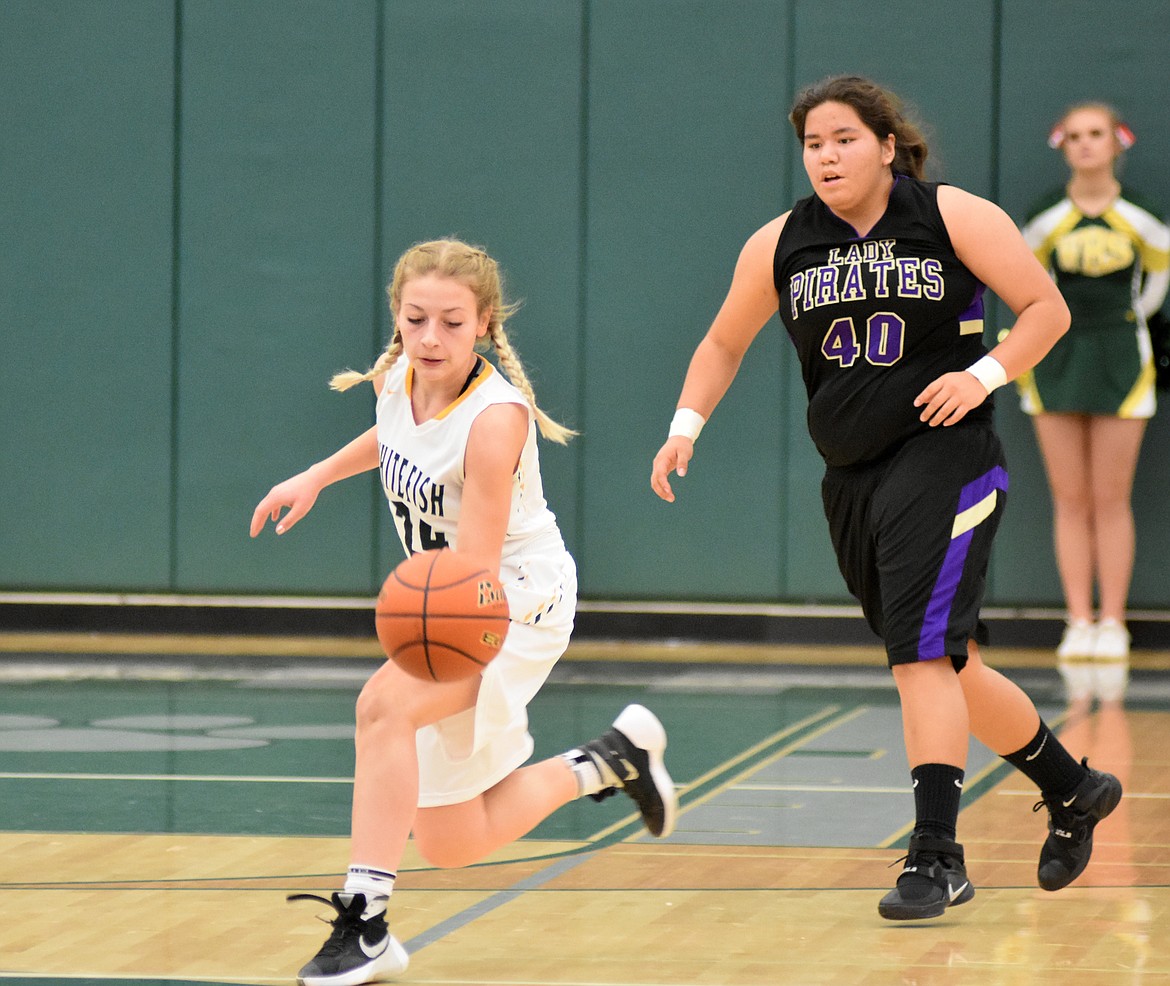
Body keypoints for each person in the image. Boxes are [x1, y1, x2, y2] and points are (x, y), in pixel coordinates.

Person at [650, 75, 1122, 921]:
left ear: (886, 145)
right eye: (812, 144)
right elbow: (723, 340)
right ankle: (1073, 786)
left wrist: (982, 377)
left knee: (916, 655)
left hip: (948, 454)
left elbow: (1045, 311)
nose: (825, 157)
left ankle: (936, 857)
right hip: (852, 472)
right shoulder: (781, 243)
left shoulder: (952, 216)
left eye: (841, 139)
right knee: (948, 661)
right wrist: (685, 424)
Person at [251, 239, 677, 986]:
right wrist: (315, 476)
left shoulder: (495, 419)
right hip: (456, 596)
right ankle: (609, 761)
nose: (430, 338)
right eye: (415, 320)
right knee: (451, 837)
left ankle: (366, 921)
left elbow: (475, 574)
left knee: (382, 706)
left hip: (512, 600)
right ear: (397, 318)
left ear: (483, 324)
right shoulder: (398, 379)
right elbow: (394, 432)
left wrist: (415, 635)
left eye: (451, 323)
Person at [1017, 103, 1170, 705]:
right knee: (1069, 497)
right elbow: (1024, 281)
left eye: (1095, 135)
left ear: (1116, 143)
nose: (1085, 146)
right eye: (1074, 137)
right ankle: (1078, 620)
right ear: (1063, 146)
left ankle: (1114, 622)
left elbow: (1159, 278)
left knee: (1110, 497)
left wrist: (1130, 319)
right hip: (1053, 360)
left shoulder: (1142, 217)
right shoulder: (1043, 219)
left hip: (1121, 358)